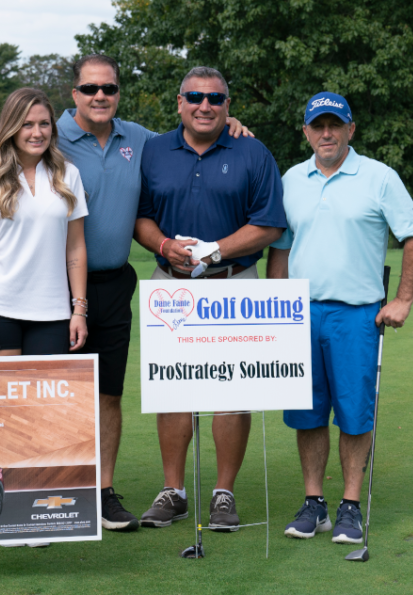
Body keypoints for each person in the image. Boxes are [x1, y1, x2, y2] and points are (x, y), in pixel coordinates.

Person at [0, 55, 254, 532]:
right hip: (49, 291)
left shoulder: (140, 140)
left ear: (118, 93)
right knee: (47, 397)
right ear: (73, 93)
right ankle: (36, 492)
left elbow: (193, 128)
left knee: (108, 394)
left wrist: (228, 122)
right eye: (90, 88)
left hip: (112, 284)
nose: (100, 96)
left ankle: (102, 492)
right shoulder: (48, 134)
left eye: (110, 89)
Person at [267, 92, 413, 545]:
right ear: (305, 132)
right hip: (300, 314)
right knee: (308, 414)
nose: (326, 133)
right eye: (317, 126)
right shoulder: (291, 179)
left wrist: (403, 300)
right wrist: (276, 307)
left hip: (357, 315)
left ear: (350, 130)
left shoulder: (379, 177)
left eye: (334, 126)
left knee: (355, 415)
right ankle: (314, 503)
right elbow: (280, 247)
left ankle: (350, 507)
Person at [134, 65, 285, 530]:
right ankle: (173, 491)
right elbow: (140, 217)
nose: (205, 105)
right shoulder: (154, 149)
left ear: (228, 105)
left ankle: (223, 493)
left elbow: (269, 223)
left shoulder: (252, 151)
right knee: (173, 385)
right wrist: (162, 246)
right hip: (171, 283)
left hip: (234, 282)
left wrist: (216, 249)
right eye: (195, 97)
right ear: (179, 102)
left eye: (215, 99)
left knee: (231, 388)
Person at [0, 88, 89, 358]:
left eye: (44, 123)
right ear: (12, 127)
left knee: (44, 401)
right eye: (27, 124)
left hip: (53, 313)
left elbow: (76, 248)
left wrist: (79, 310)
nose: (37, 133)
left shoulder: (69, 175)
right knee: (4, 400)